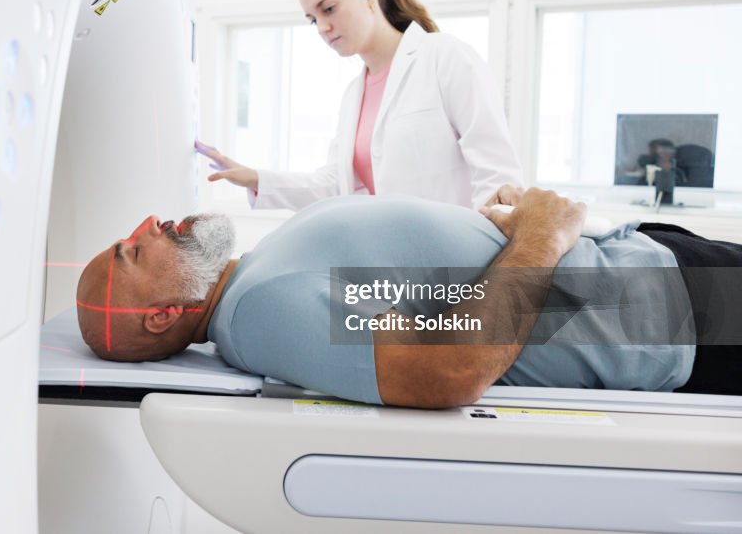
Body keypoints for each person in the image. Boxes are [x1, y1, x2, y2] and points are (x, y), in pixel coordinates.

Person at [75, 187, 742, 408]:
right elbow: (450, 367)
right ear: (161, 312)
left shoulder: (259, 274)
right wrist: (540, 231)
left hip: (655, 267)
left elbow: (435, 297)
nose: (149, 228)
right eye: (134, 251)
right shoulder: (260, 310)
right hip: (669, 309)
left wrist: (506, 232)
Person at [195, 0, 523, 211]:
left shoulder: (445, 57)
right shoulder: (355, 94)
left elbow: (497, 178)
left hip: (459, 265)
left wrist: (487, 273)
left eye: (329, 9)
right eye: (313, 19)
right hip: (389, 267)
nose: (322, 27)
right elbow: (336, 185)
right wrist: (255, 178)